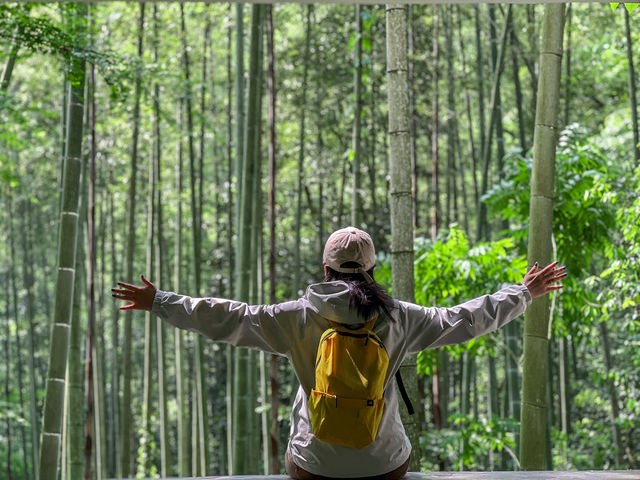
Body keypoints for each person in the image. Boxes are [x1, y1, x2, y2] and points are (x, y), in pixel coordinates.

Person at [112, 226, 566, 480]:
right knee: (400, 448)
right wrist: (523, 293)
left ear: (324, 268)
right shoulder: (399, 317)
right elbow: (464, 319)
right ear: (372, 269)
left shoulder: (294, 316)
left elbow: (229, 317)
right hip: (384, 467)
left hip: (315, 468)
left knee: (296, 448)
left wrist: (161, 301)